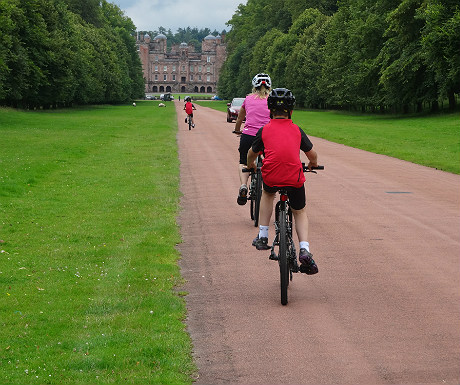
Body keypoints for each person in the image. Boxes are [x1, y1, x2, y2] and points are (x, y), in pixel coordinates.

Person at [246, 88, 319, 274]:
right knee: (300, 211)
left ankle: (263, 235)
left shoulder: (264, 130)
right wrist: (312, 164)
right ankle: (304, 249)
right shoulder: (296, 130)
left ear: (270, 110)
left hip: (271, 176)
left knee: (268, 194)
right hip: (294, 178)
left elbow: (251, 154)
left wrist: (251, 165)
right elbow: (312, 154)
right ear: (291, 110)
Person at [234, 73, 271, 205]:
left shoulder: (248, 99)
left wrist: (237, 130)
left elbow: (240, 118)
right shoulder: (272, 99)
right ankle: (268, 185)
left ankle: (244, 185)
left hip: (249, 135)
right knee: (269, 160)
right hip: (267, 135)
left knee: (243, 161)